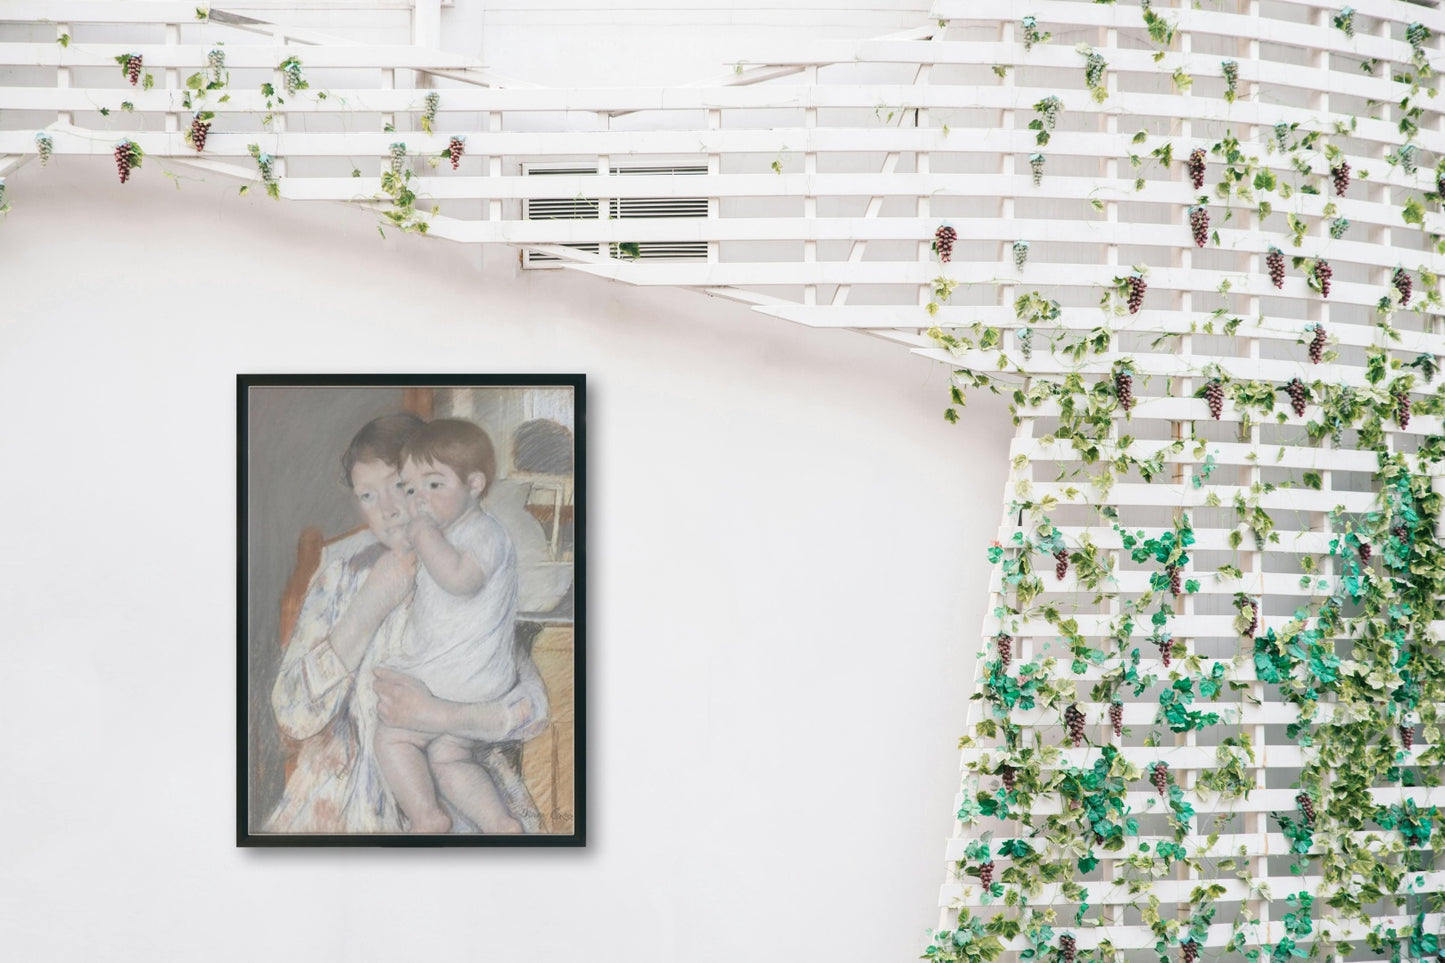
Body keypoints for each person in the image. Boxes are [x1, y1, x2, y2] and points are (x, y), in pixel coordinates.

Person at [265, 414, 547, 834]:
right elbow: (290, 716)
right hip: (348, 797)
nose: (390, 510)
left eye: (399, 486)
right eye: (367, 495)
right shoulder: (340, 575)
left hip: (456, 786)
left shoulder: (470, 560)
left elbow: (534, 710)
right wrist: (370, 604)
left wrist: (443, 716)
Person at [373, 418, 526, 834]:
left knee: (393, 738)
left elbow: (459, 580)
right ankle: (499, 823)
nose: (419, 499)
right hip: (476, 683)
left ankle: (426, 815)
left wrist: (421, 532)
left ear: (474, 483)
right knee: (449, 757)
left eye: (434, 484)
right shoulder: (456, 531)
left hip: (454, 679)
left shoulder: (483, 533)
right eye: (410, 488)